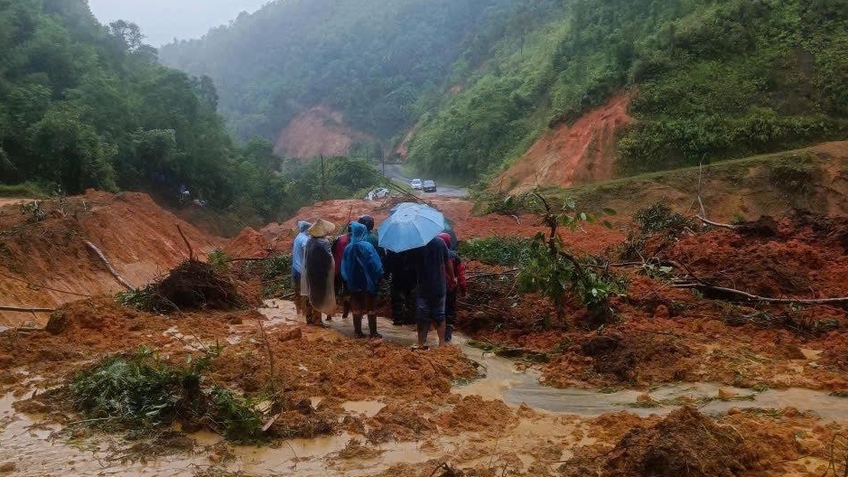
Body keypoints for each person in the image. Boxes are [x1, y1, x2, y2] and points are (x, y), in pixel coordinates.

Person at [410, 235, 455, 348]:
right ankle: (442, 344)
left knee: (422, 317)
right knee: (440, 315)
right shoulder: (440, 243)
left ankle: (421, 343)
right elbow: (448, 261)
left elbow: (410, 265)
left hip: (422, 287)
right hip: (439, 285)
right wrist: (453, 277)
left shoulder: (416, 245)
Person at [342, 221, 384, 339]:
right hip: (368, 281)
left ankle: (358, 332)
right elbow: (375, 264)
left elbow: (343, 266)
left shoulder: (348, 248)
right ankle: (373, 332)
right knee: (370, 306)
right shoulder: (367, 246)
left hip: (353, 282)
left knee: (356, 305)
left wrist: (347, 279)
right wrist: (379, 276)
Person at [301, 219, 337, 325]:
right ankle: (317, 320)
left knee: (310, 293)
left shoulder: (309, 241)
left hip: (309, 272)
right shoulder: (324, 242)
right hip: (320, 274)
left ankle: (309, 317)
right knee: (319, 296)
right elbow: (328, 259)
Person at [438, 233, 467, 343]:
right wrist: (463, 289)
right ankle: (447, 339)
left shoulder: (434, 255)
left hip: (436, 287)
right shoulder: (454, 256)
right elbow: (460, 274)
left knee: (438, 311)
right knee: (449, 312)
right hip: (450, 288)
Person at [385, 249, 416, 325]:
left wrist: (386, 275)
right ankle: (410, 320)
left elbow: (387, 265)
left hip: (397, 279)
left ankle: (398, 321)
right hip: (411, 279)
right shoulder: (414, 249)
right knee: (410, 301)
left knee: (397, 302)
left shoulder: (392, 251)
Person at [331, 224, 353, 321]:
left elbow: (331, 253)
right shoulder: (355, 241)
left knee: (334, 291)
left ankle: (329, 314)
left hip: (336, 269)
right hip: (349, 271)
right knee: (347, 292)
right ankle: (345, 314)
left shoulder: (339, 239)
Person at [291, 220, 312, 316]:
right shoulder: (305, 239)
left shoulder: (297, 237)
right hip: (302, 270)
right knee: (304, 292)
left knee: (297, 291)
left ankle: (298, 311)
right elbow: (305, 250)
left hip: (295, 268)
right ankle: (304, 314)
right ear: (306, 229)